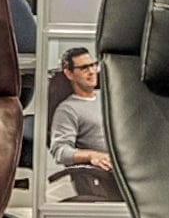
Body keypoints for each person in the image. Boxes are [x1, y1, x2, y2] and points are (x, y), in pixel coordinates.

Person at [46, 45, 117, 199]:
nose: (92, 72)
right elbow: (60, 151)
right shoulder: (68, 109)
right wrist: (92, 155)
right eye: (84, 68)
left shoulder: (108, 97)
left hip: (130, 163)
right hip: (109, 174)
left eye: (93, 65)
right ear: (69, 74)